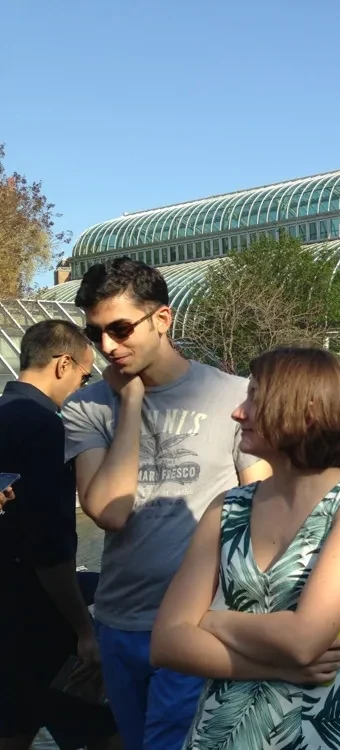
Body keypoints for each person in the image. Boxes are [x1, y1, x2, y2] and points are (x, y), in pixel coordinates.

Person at [61, 259, 273, 750]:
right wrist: (131, 402)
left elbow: (258, 516)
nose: (108, 347)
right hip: (120, 623)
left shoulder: (234, 397)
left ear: (162, 319)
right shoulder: (88, 406)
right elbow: (111, 512)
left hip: (202, 623)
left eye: (120, 328)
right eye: (96, 334)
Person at [151, 347, 340, 749]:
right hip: (215, 736)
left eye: (256, 397)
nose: (238, 412)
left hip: (308, 734)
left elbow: (303, 640)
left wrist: (210, 620)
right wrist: (282, 669)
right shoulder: (228, 506)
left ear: (307, 409)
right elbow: (166, 643)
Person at [0, 320, 119, 750]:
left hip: (8, 619)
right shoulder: (46, 427)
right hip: (45, 623)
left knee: (13, 731)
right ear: (63, 364)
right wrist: (84, 630)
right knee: (105, 733)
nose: (84, 387)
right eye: (84, 376)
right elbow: (51, 548)